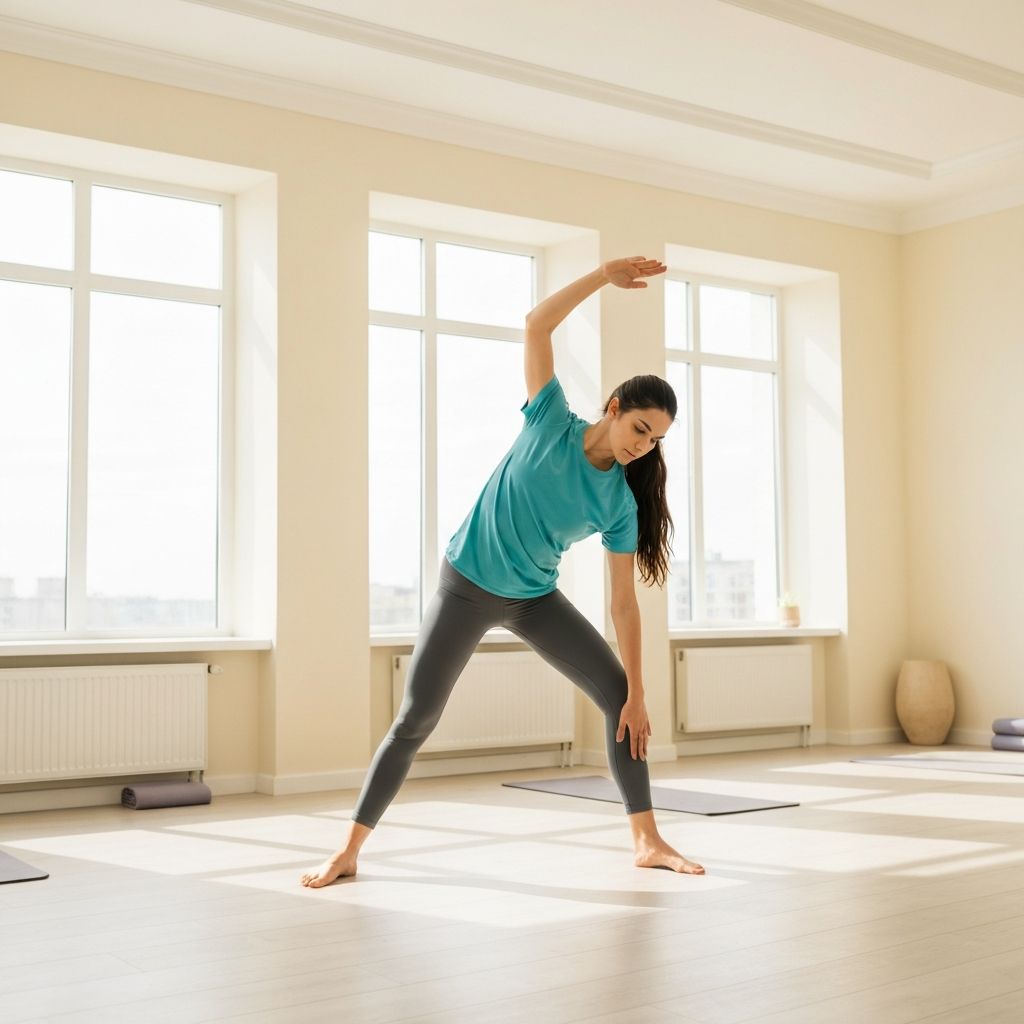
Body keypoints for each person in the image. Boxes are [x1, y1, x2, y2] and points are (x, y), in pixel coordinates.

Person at [301, 256, 705, 887]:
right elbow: (537, 325)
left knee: (620, 700)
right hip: (465, 584)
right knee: (415, 719)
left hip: (533, 600)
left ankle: (647, 840)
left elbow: (623, 604)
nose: (642, 445)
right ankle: (349, 848)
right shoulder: (549, 419)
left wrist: (640, 691)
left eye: (655, 440)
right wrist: (604, 276)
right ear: (615, 406)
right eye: (640, 427)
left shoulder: (619, 503)